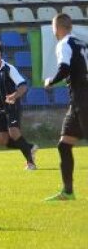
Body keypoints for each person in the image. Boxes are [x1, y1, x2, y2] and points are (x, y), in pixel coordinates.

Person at [44, 13, 88, 201]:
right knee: (64, 145)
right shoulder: (81, 43)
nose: (54, 32)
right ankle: (68, 192)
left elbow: (64, 68)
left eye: (54, 28)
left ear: (59, 27)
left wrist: (51, 82)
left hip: (82, 98)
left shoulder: (64, 44)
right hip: (77, 99)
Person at [0, 42, 38, 170]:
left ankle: (30, 163)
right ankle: (29, 147)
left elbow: (23, 86)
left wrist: (14, 96)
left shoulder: (9, 69)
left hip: (12, 107)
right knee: (1, 140)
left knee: (14, 132)